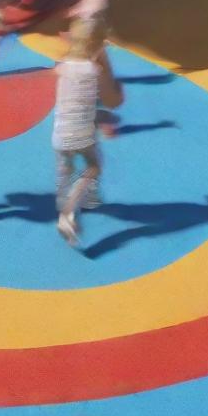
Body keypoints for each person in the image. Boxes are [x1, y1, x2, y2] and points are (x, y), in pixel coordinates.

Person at [53, 17, 122, 246]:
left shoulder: (62, 66)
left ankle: (74, 200)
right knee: (94, 166)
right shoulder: (95, 70)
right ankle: (69, 211)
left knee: (67, 163)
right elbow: (113, 100)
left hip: (60, 132)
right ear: (98, 44)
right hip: (81, 132)